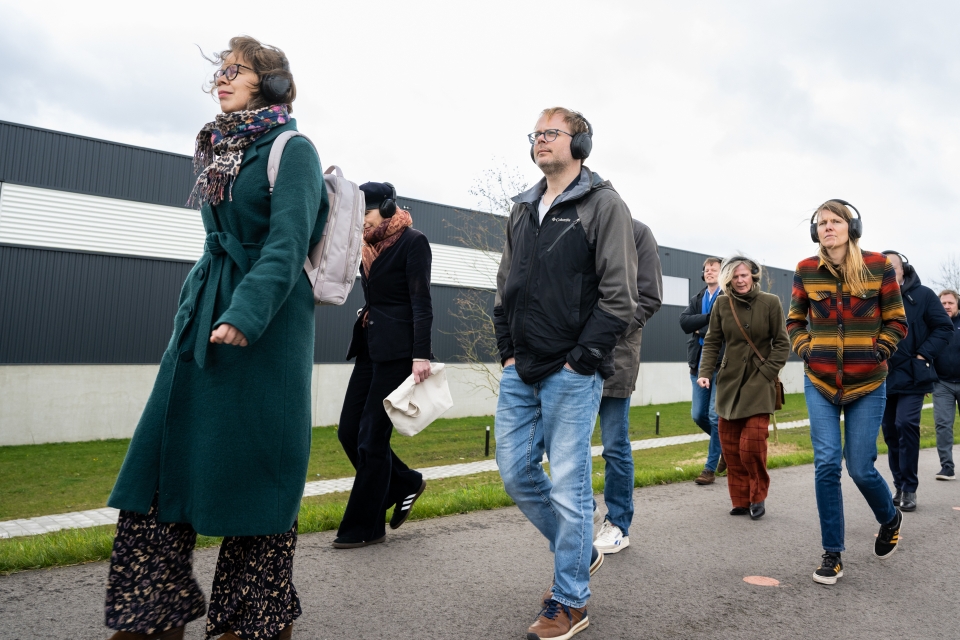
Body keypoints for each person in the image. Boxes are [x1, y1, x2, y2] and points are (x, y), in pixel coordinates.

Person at [105, 36, 325, 639]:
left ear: (272, 83)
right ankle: (149, 614)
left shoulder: (293, 149)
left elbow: (286, 245)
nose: (221, 81)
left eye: (235, 71)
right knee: (158, 463)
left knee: (256, 476)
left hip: (266, 331)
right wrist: (196, 311)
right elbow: (215, 242)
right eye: (218, 73)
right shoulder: (217, 148)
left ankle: (250, 622)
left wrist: (246, 313)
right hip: (203, 316)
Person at [494, 107, 638, 640]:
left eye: (551, 132)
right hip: (520, 367)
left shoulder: (604, 205)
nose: (540, 140)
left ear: (581, 142)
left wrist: (582, 359)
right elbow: (504, 285)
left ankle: (571, 600)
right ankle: (578, 552)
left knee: (569, 487)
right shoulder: (522, 207)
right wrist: (506, 350)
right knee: (515, 472)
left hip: (573, 371)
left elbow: (619, 297)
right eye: (535, 134)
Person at [786, 199, 908, 585]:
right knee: (826, 464)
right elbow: (794, 320)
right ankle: (832, 553)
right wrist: (806, 348)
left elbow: (897, 321)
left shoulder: (878, 267)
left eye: (835, 221)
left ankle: (889, 518)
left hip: (868, 381)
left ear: (851, 227)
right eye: (821, 222)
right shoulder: (806, 270)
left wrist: (879, 350)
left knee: (859, 467)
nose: (828, 228)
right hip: (819, 380)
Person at [334, 182, 432, 548]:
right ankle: (405, 482)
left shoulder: (413, 242)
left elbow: (421, 302)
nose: (361, 222)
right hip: (369, 346)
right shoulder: (366, 248)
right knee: (348, 431)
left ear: (387, 208)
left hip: (399, 352)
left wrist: (421, 354)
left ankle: (364, 527)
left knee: (371, 438)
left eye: (367, 214)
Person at [697, 256, 789, 520]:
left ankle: (757, 496)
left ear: (753, 276)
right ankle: (740, 499)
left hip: (759, 383)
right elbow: (713, 340)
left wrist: (766, 373)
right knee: (731, 446)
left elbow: (782, 343)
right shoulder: (723, 304)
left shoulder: (771, 303)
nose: (740, 280)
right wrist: (705, 373)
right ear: (729, 279)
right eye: (735, 276)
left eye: (744, 275)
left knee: (751, 445)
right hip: (729, 384)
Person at [594, 219, 663, 554]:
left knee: (614, 445)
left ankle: (618, 523)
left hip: (617, 354)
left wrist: (610, 330)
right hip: (573, 355)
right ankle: (581, 508)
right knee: (564, 441)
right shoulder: (583, 227)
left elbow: (649, 296)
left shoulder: (637, 233)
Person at [879, 251, 953, 510]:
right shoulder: (872, 298)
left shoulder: (923, 296)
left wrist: (923, 354)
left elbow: (944, 327)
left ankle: (910, 488)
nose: (886, 273)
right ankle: (899, 484)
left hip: (914, 373)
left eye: (891, 268)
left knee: (905, 424)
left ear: (903, 270)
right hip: (883, 375)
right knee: (890, 431)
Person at [680, 257, 726, 485]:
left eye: (714, 269)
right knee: (698, 415)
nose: (709, 272)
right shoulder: (697, 298)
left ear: (722, 272)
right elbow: (684, 322)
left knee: (714, 417)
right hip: (698, 365)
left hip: (720, 365)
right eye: (706, 270)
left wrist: (700, 328)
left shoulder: (727, 297)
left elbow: (724, 327)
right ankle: (727, 447)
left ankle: (709, 469)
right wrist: (708, 320)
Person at [932, 289, 960, 480]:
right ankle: (947, 467)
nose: (947, 306)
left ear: (957, 304)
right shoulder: (933, 324)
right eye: (943, 303)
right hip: (942, 383)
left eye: (950, 303)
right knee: (943, 424)